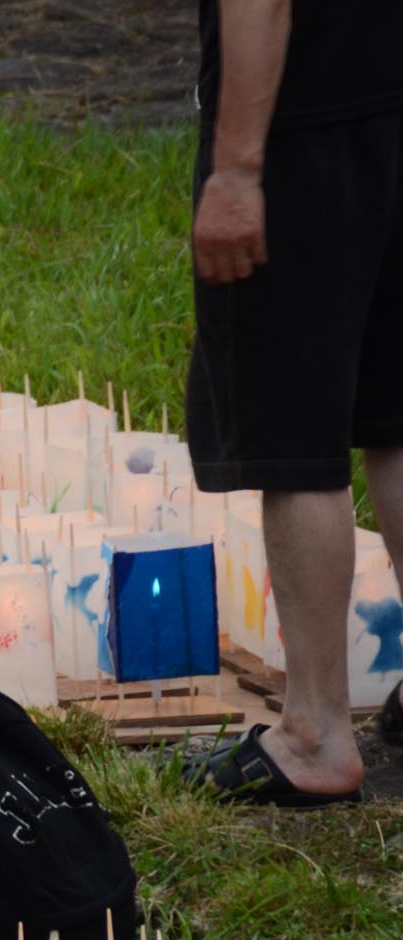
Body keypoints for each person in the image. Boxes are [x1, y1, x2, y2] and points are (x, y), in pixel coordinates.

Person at [185, 0, 403, 805]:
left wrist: (237, 171)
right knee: (395, 417)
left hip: (302, 132)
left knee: (296, 433)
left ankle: (315, 733)